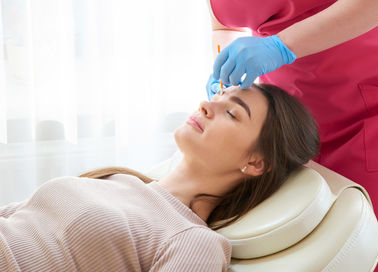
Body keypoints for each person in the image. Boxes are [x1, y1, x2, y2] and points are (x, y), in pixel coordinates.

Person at [0, 84, 319, 271]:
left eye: (232, 112)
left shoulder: (193, 242)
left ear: (256, 162)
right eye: (216, 97)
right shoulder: (120, 179)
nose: (207, 106)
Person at [205, 1, 378, 271]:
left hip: (374, 108)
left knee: (368, 251)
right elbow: (226, 23)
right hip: (289, 122)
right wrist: (227, 64)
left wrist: (282, 45)